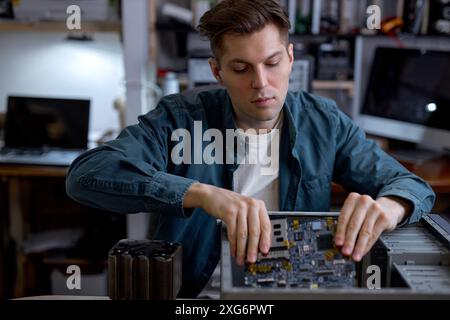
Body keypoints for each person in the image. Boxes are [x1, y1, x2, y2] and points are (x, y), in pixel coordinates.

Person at [66, 0, 435, 298]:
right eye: (241, 69)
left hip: (296, 291)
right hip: (197, 298)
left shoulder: (324, 122)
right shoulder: (180, 119)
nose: (262, 84)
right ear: (217, 71)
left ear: (291, 58)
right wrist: (202, 195)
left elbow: (413, 187)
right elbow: (86, 174)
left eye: (272, 63)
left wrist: (388, 207)